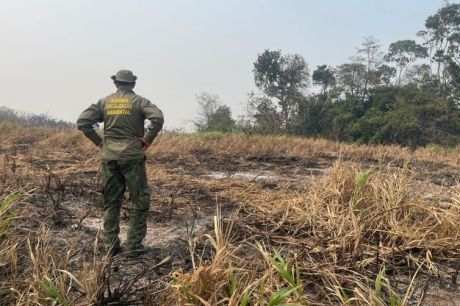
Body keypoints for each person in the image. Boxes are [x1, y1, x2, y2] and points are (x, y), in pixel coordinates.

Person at [77, 70, 164, 256]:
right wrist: (147, 139)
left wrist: (99, 141)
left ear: (116, 83)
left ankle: (110, 245)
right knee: (140, 199)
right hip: (133, 156)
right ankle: (134, 245)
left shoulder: (104, 102)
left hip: (109, 157)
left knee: (112, 201)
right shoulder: (140, 102)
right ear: (132, 84)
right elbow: (157, 117)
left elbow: (82, 121)